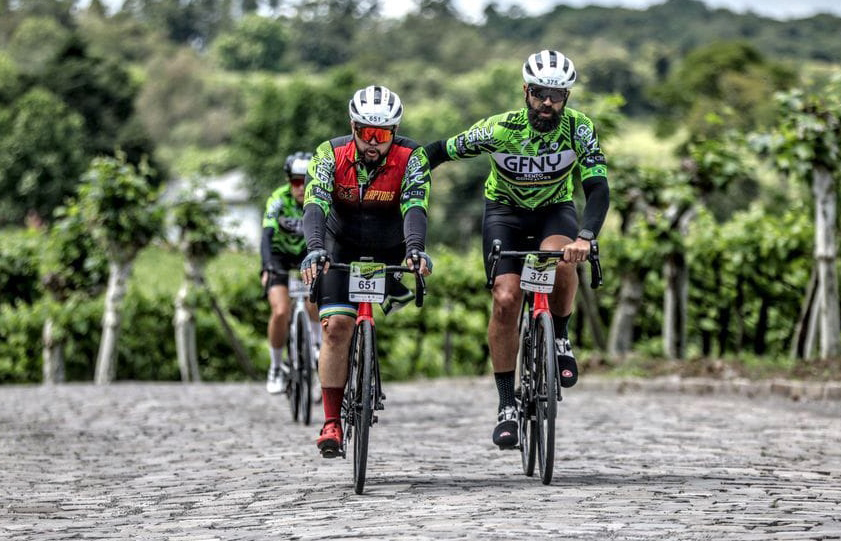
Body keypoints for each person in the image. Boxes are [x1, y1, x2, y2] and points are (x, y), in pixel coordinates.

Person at [424, 50, 610, 449]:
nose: (548, 102)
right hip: (505, 213)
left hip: (553, 212)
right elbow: (440, 150)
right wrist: (402, 172)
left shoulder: (579, 129)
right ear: (526, 90)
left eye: (557, 95)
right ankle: (507, 404)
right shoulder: (498, 129)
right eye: (541, 92)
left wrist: (587, 236)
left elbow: (597, 187)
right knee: (506, 299)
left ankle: (559, 337)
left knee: (562, 262)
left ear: (567, 97)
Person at [300, 85, 433, 458]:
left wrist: (414, 250)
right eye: (367, 133)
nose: (374, 143)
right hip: (340, 246)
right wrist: (314, 250)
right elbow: (315, 202)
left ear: (394, 133)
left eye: (384, 135)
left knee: (370, 308)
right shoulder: (330, 153)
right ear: (353, 127)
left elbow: (415, 206)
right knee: (336, 327)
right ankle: (331, 422)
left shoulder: (412, 157)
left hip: (388, 248)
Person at [261, 151, 322, 395]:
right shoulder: (278, 200)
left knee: (315, 300)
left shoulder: (319, 199)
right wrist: (267, 266)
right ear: (289, 182)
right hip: (280, 257)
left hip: (308, 256)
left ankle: (317, 346)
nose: (301, 188)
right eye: (296, 182)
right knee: (281, 310)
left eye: (306, 181)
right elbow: (266, 235)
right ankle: (276, 367)